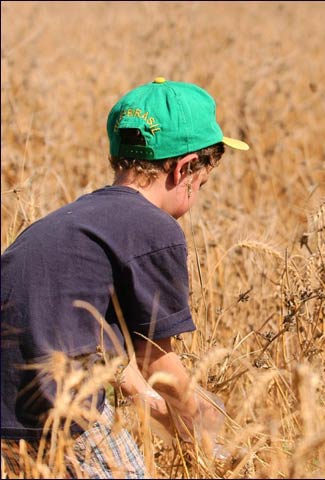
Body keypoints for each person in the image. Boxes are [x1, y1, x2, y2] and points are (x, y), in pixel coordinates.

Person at [0, 77, 249, 478]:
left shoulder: (71, 221)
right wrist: (206, 434)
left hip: (9, 413)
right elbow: (157, 363)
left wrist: (167, 416)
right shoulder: (154, 228)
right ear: (186, 169)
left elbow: (114, 361)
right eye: (202, 183)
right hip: (66, 412)